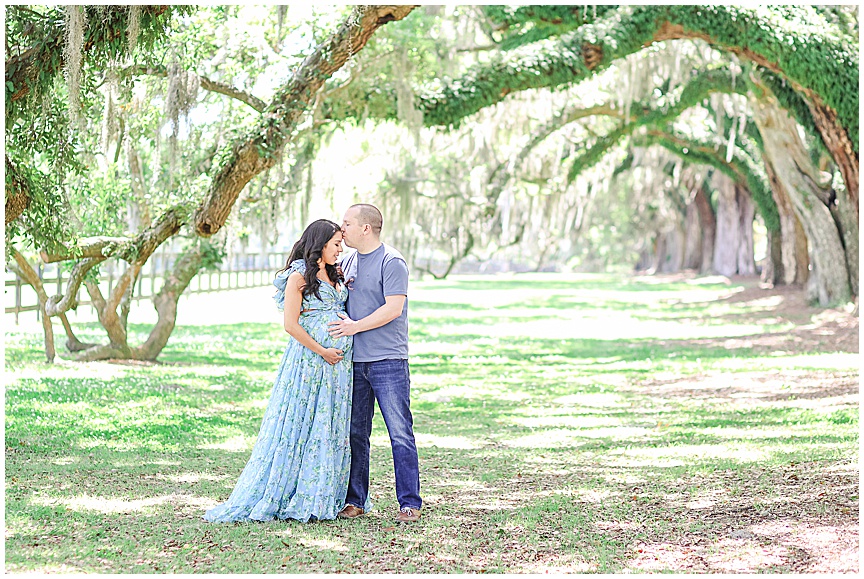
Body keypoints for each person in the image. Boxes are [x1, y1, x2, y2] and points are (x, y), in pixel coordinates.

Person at [203, 219, 360, 523]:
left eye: (341, 244)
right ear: (320, 243)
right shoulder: (298, 276)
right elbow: (291, 325)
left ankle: (324, 492)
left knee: (328, 424)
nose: (341, 249)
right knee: (303, 423)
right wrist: (323, 350)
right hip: (311, 362)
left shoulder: (335, 272)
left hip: (338, 370)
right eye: (336, 244)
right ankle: (291, 491)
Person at [328, 203, 423, 523]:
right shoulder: (349, 261)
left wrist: (355, 326)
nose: (342, 229)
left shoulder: (392, 261)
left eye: (347, 224)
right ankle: (355, 500)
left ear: (365, 228)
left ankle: (409, 502)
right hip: (355, 363)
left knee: (400, 433)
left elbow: (393, 309)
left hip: (388, 362)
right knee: (356, 433)